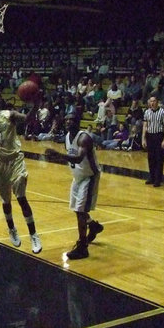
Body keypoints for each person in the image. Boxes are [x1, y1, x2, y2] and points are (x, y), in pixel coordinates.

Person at [0, 93, 42, 253]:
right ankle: (12, 228)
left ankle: (33, 234)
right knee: (6, 201)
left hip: (15, 160)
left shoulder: (10, 114)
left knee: (21, 198)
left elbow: (27, 119)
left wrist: (35, 105)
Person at [56, 111, 104, 260]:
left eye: (71, 120)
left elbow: (78, 158)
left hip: (89, 177)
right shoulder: (67, 137)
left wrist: (58, 155)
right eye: (66, 119)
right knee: (77, 210)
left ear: (77, 122)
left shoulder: (84, 138)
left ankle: (83, 248)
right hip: (78, 177)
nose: (68, 122)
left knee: (80, 210)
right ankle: (93, 225)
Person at [142, 96, 164, 187]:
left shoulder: (163, 112)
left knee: (159, 159)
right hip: (150, 136)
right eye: (151, 101)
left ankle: (158, 179)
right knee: (151, 158)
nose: (152, 103)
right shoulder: (147, 112)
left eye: (154, 101)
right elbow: (145, 126)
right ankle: (152, 177)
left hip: (159, 136)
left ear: (157, 102)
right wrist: (143, 138)